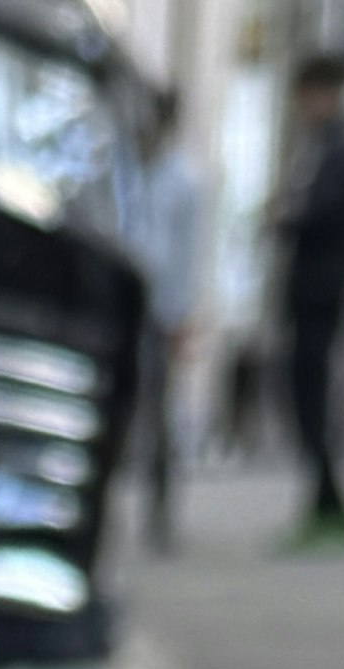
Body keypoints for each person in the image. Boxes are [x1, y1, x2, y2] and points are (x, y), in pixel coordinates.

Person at [274, 52, 344, 548]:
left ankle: (329, 507)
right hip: (308, 293)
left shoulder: (343, 154)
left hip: (321, 294)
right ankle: (326, 504)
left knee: (310, 400)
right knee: (302, 400)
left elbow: (325, 217)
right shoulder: (321, 150)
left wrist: (286, 216)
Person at [132, 85, 209, 549]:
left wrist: (182, 315)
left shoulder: (183, 180)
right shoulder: (126, 170)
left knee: (159, 415)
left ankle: (160, 515)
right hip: (125, 304)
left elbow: (187, 255)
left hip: (161, 310)